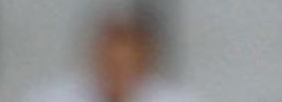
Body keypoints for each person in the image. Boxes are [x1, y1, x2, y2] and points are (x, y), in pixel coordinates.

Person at [23, 14, 195, 102]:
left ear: (145, 64)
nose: (117, 75)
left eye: (127, 66)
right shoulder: (52, 98)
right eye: (111, 65)